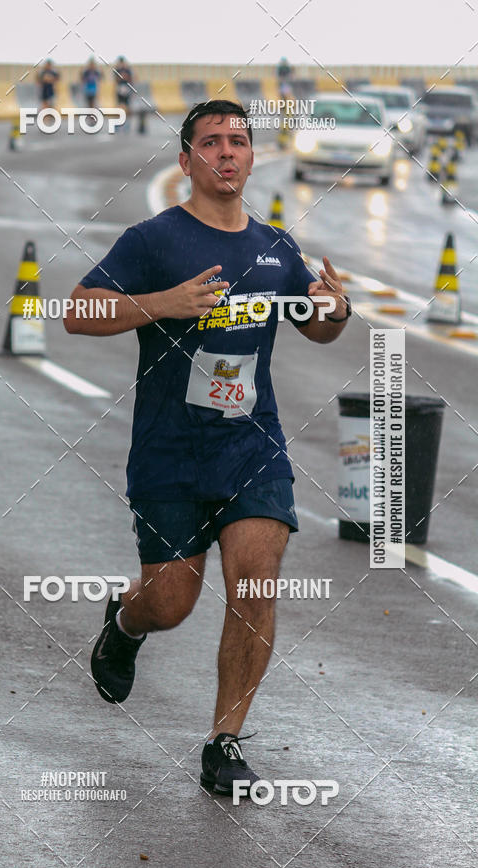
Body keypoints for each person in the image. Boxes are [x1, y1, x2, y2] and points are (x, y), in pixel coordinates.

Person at [64, 99, 350, 795]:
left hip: (251, 449)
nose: (228, 152)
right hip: (169, 452)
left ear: (253, 158)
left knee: (255, 580)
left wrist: (335, 310)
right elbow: (76, 310)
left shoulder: (276, 247)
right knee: (172, 603)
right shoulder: (154, 240)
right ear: (187, 158)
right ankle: (126, 625)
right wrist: (163, 303)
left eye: (240, 142)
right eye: (213, 142)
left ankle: (225, 740)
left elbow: (315, 327)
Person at [114, 55, 133, 124]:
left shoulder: (127, 69)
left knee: (127, 104)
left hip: (126, 87)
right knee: (119, 104)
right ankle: (119, 120)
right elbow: (116, 80)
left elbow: (130, 79)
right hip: (120, 87)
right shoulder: (117, 70)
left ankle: (128, 120)